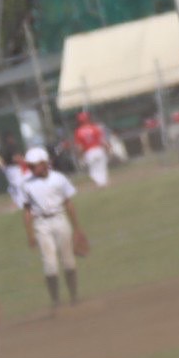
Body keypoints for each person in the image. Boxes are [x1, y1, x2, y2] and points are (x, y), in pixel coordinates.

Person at [20, 145, 88, 312]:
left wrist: (77, 228)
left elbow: (68, 203)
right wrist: (30, 234)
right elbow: (27, 210)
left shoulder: (59, 178)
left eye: (33, 165)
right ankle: (56, 301)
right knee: (50, 264)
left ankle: (74, 297)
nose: (30, 168)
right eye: (30, 165)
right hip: (41, 224)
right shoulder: (26, 184)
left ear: (44, 164)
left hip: (60, 219)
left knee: (69, 261)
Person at [73, 111, 111, 188]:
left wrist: (80, 156)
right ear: (88, 119)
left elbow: (80, 147)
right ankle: (103, 183)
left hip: (89, 152)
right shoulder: (95, 128)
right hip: (99, 149)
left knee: (93, 171)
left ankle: (101, 184)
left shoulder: (78, 131)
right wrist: (108, 148)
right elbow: (102, 140)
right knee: (102, 168)